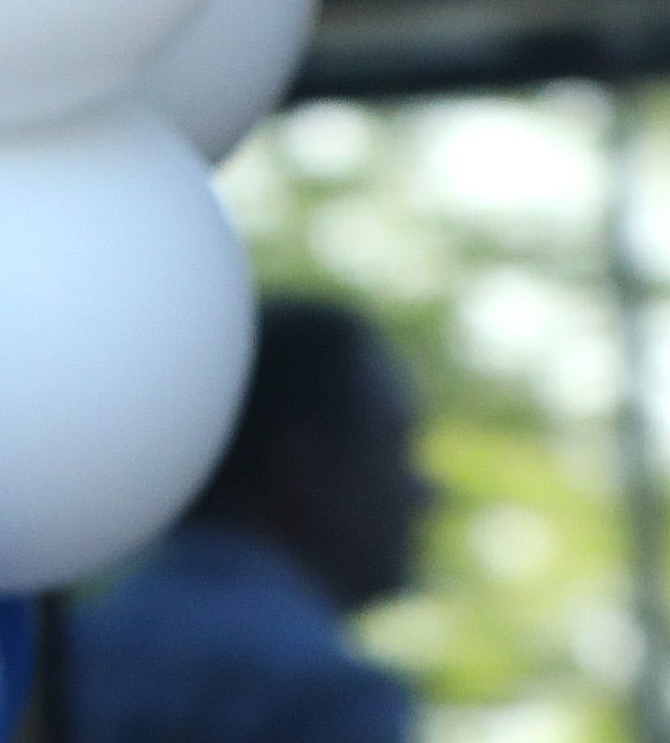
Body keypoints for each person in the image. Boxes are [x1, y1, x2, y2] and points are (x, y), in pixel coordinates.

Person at [77, 293, 431, 743]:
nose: (424, 493)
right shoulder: (325, 697)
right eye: (393, 449)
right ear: (305, 467)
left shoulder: (65, 649)